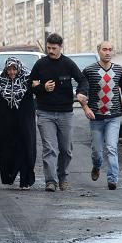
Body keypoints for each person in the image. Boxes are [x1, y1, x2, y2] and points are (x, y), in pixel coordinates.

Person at [29, 33, 88, 192]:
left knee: (66, 148)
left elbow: (82, 80)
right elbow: (29, 83)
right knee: (49, 148)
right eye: (48, 48)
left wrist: (81, 93)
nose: (51, 51)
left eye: (54, 48)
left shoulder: (68, 64)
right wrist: (42, 88)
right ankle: (50, 181)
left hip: (65, 113)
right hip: (45, 112)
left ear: (61, 47)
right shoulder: (40, 64)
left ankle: (63, 177)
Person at [81, 41, 122, 190]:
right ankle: (96, 166)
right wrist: (85, 108)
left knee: (111, 147)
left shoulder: (119, 70)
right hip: (96, 118)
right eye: (104, 50)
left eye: (110, 49)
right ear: (99, 51)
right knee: (97, 151)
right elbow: (82, 91)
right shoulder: (89, 71)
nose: (107, 52)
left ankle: (112, 179)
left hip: (113, 117)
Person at [0, 57, 37, 189]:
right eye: (9, 69)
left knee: (26, 149)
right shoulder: (1, 82)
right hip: (6, 124)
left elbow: (39, 91)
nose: (12, 72)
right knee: (6, 150)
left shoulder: (28, 80)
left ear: (19, 69)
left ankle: (25, 181)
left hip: (25, 122)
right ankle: (9, 176)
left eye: (14, 69)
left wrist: (40, 86)